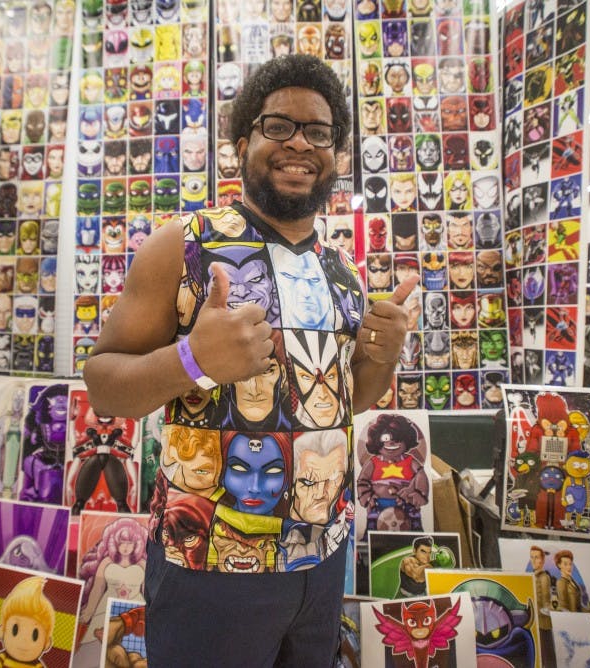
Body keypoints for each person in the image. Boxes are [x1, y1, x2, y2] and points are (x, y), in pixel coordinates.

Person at [84, 54, 418, 667]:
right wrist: (192, 359)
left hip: (321, 561)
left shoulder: (343, 273)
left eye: (319, 133)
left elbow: (344, 404)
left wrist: (385, 358)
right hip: (208, 563)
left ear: (336, 155)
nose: (300, 144)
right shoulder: (182, 245)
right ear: (244, 143)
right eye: (278, 126)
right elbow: (104, 386)